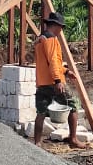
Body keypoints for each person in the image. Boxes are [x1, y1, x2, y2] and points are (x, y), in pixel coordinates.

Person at [33, 11, 87, 149]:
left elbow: (50, 63)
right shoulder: (51, 40)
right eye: (61, 27)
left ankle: (37, 143)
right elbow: (52, 61)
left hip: (42, 82)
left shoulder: (40, 40)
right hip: (53, 82)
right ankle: (73, 139)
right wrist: (58, 80)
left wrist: (66, 71)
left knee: (41, 112)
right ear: (56, 26)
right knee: (73, 104)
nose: (61, 30)